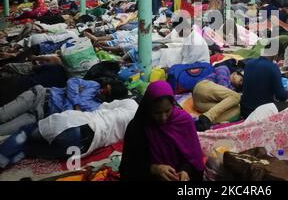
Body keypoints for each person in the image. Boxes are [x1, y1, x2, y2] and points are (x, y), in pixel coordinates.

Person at [0, 98, 138, 169]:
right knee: (27, 149)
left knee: (25, 133)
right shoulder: (144, 127)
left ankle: (1, 158)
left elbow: (102, 106)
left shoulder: (131, 103)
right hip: (83, 148)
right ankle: (8, 159)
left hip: (76, 124)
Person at [120, 81, 204, 181]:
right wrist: (155, 169)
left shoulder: (184, 122)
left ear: (173, 105)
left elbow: (193, 157)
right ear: (148, 108)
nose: (163, 118)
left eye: (167, 111)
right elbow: (128, 167)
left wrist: (185, 171)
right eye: (157, 113)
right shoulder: (138, 127)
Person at [0, 77, 128, 136]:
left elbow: (68, 115)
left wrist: (72, 96)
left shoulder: (96, 108)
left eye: (106, 92)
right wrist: (77, 104)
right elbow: (71, 82)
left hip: (39, 116)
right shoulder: (93, 85)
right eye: (105, 87)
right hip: (39, 96)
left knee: (3, 131)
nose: (102, 90)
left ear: (110, 98)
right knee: (2, 115)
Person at [240, 41, 288, 118]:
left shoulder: (249, 64)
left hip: (245, 110)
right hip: (261, 113)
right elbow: (281, 95)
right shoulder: (273, 67)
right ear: (276, 54)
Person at [193, 66, 243, 131]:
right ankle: (207, 118)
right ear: (235, 73)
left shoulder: (233, 90)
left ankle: (201, 123)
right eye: (241, 79)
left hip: (200, 105)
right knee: (237, 97)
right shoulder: (224, 69)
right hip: (202, 89)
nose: (241, 83)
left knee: (237, 109)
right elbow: (222, 82)